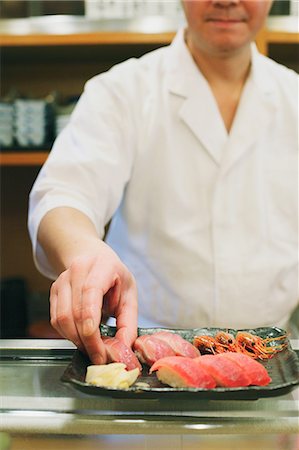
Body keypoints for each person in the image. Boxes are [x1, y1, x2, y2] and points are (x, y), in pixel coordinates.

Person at [28, 0, 298, 365]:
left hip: (272, 355)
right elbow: (63, 194)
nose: (227, 0)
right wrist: (86, 255)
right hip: (145, 354)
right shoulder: (122, 91)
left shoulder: (292, 97)